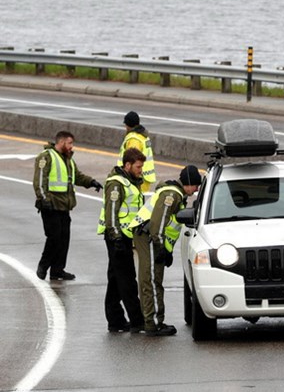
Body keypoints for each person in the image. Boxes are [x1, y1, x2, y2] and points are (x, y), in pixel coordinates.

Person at [130, 165, 202, 336]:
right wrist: (160, 246)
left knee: (151, 279)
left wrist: (166, 251)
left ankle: (152, 319)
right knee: (151, 279)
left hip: (149, 237)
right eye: (196, 185)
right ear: (189, 183)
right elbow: (159, 223)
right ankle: (153, 324)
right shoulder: (172, 195)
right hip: (150, 237)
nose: (197, 189)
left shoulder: (176, 195)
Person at [33, 130, 102, 281]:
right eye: (70, 143)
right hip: (50, 205)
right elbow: (39, 180)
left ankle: (57, 270)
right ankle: (43, 266)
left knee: (64, 239)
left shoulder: (68, 159)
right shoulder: (46, 157)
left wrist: (91, 182)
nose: (72, 146)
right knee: (54, 238)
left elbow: (77, 176)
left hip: (64, 206)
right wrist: (44, 199)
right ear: (62, 142)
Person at [97, 148, 146, 333]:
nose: (141, 170)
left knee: (115, 279)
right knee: (127, 280)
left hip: (124, 236)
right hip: (117, 237)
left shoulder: (130, 182)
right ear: (127, 165)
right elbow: (111, 214)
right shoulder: (117, 184)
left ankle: (115, 320)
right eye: (138, 166)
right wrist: (117, 237)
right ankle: (137, 321)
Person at [118, 111, 156, 192]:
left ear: (128, 125)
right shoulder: (143, 136)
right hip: (143, 177)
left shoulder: (134, 139)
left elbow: (133, 161)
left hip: (137, 178)